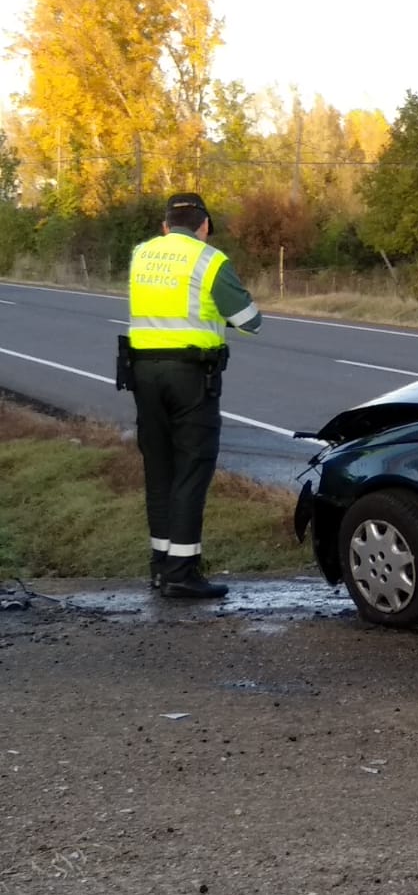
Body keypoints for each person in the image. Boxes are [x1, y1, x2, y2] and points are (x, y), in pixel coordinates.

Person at [119, 193, 261, 599]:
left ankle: (161, 567)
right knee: (192, 468)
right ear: (204, 227)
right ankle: (182, 573)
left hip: (142, 372)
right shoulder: (209, 260)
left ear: (165, 226)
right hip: (191, 376)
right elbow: (250, 322)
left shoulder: (141, 255)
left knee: (159, 469)